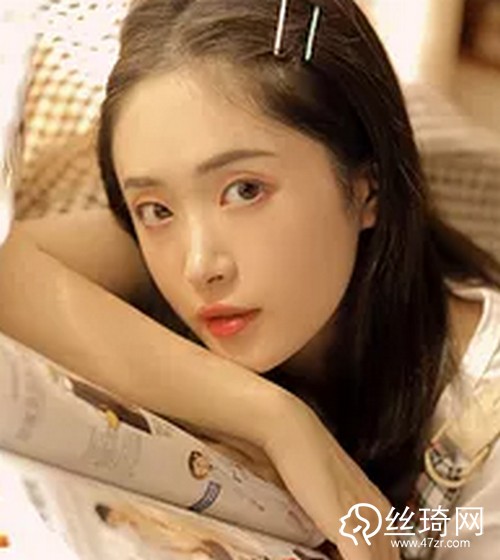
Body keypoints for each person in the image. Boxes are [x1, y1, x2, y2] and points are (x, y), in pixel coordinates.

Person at [0, 0, 499, 558]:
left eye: (245, 190)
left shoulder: (485, 427)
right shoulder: (160, 254)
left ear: (367, 189)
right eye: (155, 208)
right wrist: (274, 420)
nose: (199, 266)